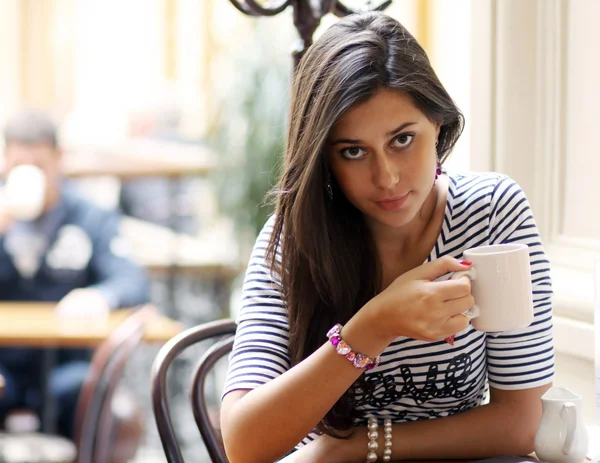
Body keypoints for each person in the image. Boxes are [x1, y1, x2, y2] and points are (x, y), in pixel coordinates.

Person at [220, 12, 554, 463]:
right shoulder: (294, 240)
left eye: (402, 139)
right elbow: (244, 445)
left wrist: (354, 448)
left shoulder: (490, 213)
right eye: (353, 151)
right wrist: (373, 327)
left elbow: (522, 423)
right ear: (325, 160)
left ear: (437, 124)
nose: (387, 178)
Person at [0, 110, 150, 439]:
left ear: (58, 160)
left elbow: (133, 281)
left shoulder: (90, 217)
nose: (28, 175)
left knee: (91, 390)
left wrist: (99, 296)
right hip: (4, 366)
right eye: (18, 166)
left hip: (63, 366)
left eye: (38, 166)